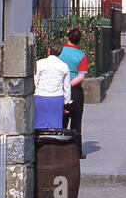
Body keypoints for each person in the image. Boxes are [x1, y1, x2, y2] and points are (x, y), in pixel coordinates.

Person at [59, 26, 90, 157]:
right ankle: (76, 151)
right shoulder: (82, 56)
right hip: (75, 90)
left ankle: (60, 148)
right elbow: (81, 75)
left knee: (61, 120)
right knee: (76, 121)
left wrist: (63, 85)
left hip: (59, 88)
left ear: (67, 38)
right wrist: (69, 84)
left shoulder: (60, 52)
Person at [33, 38, 71, 131]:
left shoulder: (39, 63)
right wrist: (67, 102)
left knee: (39, 125)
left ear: (49, 49)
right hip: (57, 98)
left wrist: (34, 94)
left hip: (41, 96)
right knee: (55, 126)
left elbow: (35, 80)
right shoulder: (64, 66)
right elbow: (67, 87)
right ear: (60, 52)